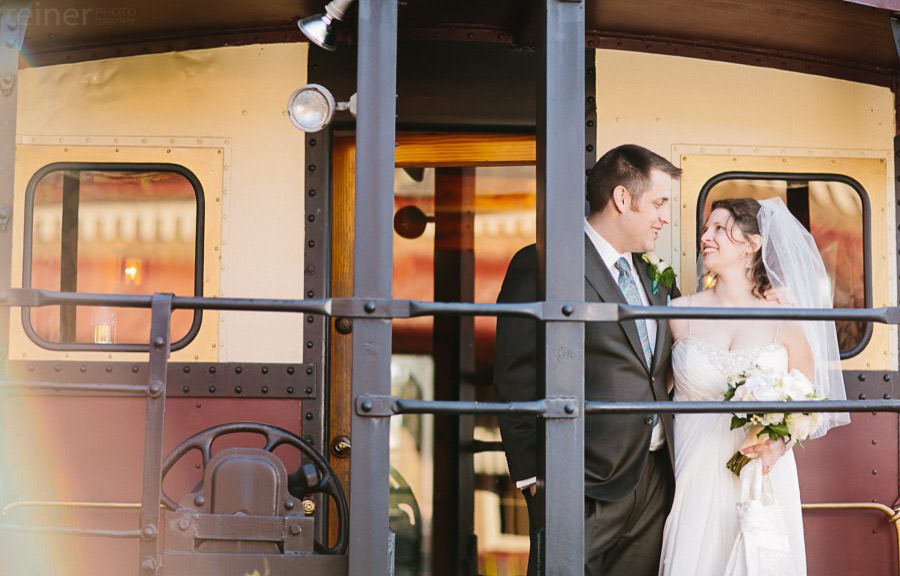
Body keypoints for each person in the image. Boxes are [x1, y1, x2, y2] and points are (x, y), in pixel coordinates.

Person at [493, 144, 682, 575]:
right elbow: (515, 375)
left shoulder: (652, 276)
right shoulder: (541, 264)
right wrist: (531, 477)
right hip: (577, 481)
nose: (665, 217)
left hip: (653, 478)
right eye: (658, 203)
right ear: (621, 199)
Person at [658, 197, 849, 576]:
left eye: (719, 229)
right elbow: (652, 389)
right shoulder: (678, 313)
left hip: (761, 476)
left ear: (752, 244)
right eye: (705, 229)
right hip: (696, 472)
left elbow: (807, 403)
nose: (706, 237)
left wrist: (779, 442)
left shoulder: (783, 317)